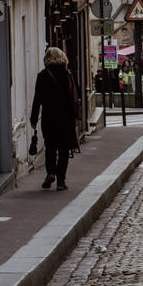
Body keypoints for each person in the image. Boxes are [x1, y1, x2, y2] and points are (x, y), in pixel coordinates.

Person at [31, 45, 80, 190]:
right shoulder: (68, 74)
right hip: (66, 118)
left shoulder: (43, 75)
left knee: (50, 147)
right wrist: (76, 116)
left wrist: (33, 119)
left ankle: (51, 172)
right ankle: (61, 181)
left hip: (49, 118)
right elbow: (75, 96)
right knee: (64, 150)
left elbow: (37, 99)